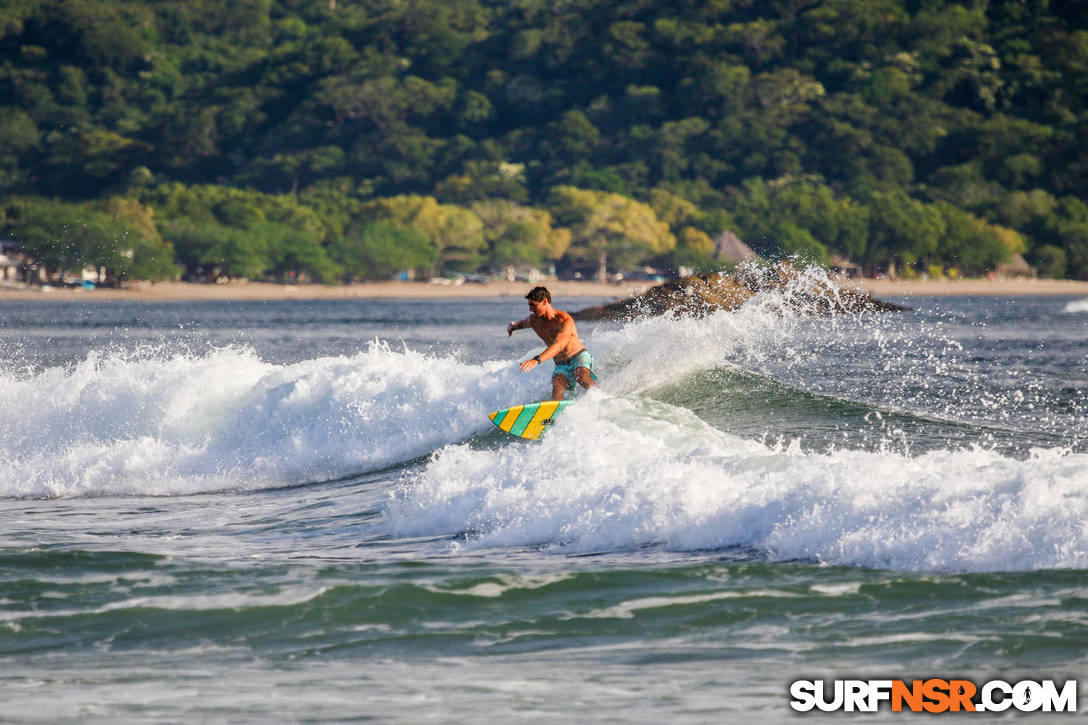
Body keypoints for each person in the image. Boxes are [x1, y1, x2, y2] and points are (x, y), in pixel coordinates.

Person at [507, 286, 597, 401]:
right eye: (529, 305)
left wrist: (536, 360)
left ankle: (602, 399)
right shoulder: (534, 321)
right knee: (557, 385)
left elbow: (559, 345)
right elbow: (522, 324)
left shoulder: (564, 320)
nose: (530, 309)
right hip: (561, 364)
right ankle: (554, 416)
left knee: (581, 376)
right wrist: (512, 327)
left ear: (544, 301)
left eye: (533, 305)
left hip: (578, 356)